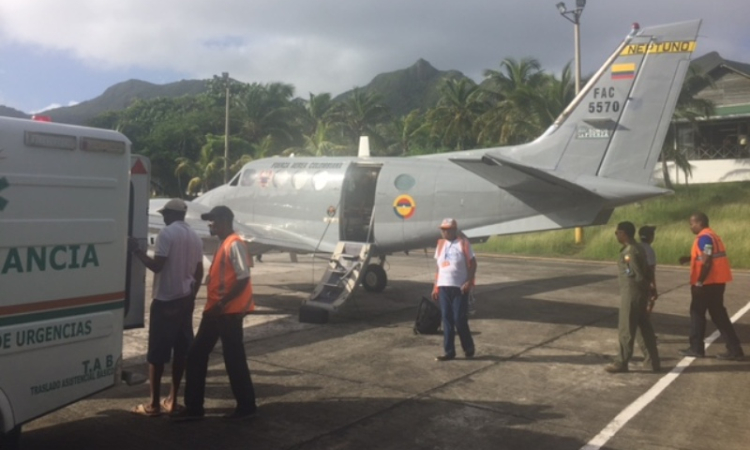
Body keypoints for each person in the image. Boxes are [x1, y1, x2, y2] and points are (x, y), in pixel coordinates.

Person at [172, 205, 258, 420]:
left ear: (225, 220)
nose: (211, 224)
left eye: (213, 220)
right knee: (202, 356)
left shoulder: (234, 244)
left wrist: (223, 302)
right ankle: (198, 407)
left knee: (226, 358)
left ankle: (241, 407)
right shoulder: (225, 243)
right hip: (217, 312)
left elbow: (243, 277)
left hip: (226, 312)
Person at [127, 198, 203, 416]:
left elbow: (157, 266)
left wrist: (136, 251)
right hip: (185, 300)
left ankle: (152, 404)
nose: (163, 217)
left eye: (164, 214)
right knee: (181, 352)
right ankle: (172, 399)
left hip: (165, 301)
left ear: (171, 215)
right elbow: (199, 273)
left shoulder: (167, 234)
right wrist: (192, 297)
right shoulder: (195, 237)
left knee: (157, 354)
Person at [678, 212, 744, 360]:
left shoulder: (704, 238)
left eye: (692, 223)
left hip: (707, 284)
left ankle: (696, 348)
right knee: (719, 315)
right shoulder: (713, 236)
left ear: (700, 223)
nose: (690, 227)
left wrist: (699, 282)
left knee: (697, 313)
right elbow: (707, 255)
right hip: (718, 283)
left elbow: (707, 261)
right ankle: (734, 348)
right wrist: (690, 258)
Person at [605, 221, 660, 373]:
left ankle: (621, 362)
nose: (616, 235)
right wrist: (650, 288)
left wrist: (645, 289)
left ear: (623, 233)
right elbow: (648, 270)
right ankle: (652, 361)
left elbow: (634, 274)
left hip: (632, 293)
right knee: (644, 329)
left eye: (617, 233)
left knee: (626, 329)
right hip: (640, 294)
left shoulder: (629, 252)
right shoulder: (640, 248)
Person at [431, 218, 476, 361]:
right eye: (442, 229)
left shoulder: (463, 243)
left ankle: (468, 347)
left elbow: (473, 263)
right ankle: (449, 351)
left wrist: (469, 281)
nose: (444, 232)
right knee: (447, 319)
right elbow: (438, 267)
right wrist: (435, 286)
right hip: (443, 286)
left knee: (459, 319)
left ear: (454, 230)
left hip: (459, 288)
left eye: (447, 229)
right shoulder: (440, 245)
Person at [638, 225, 659, 313]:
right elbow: (651, 269)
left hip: (635, 281)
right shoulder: (649, 250)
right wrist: (653, 286)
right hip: (645, 282)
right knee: (649, 303)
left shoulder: (635, 247)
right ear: (651, 237)